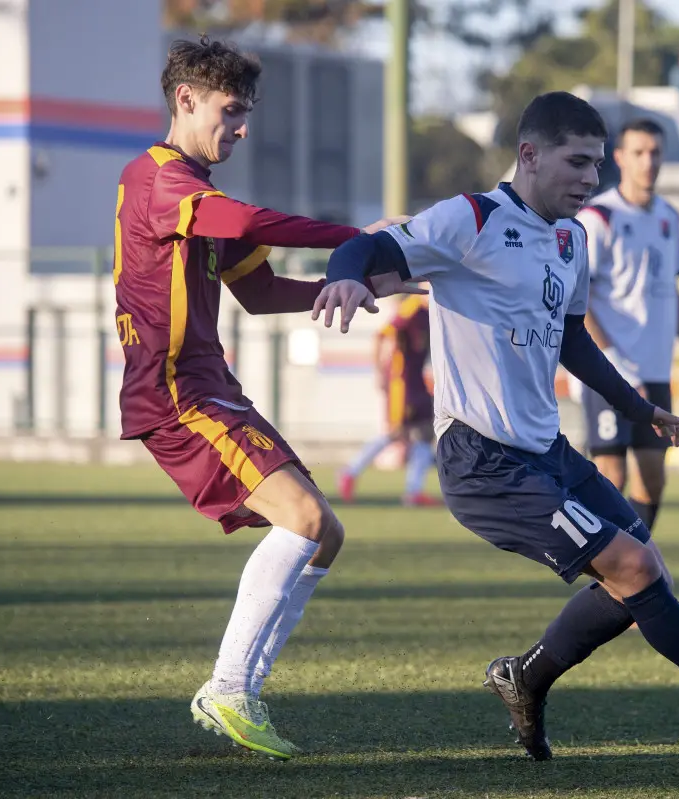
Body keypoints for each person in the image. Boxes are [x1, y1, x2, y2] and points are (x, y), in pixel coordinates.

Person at [312, 91, 679, 761]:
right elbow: (368, 245)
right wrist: (347, 279)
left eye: (598, 166)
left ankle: (524, 677)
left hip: (548, 451)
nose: (592, 180)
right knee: (634, 565)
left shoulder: (571, 236)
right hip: (483, 460)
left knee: (647, 578)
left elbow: (573, 341)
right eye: (579, 162)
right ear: (530, 155)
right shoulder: (470, 218)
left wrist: (640, 405)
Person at [113, 37, 416, 760]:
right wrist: (356, 239)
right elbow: (247, 222)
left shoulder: (198, 197)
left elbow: (259, 290)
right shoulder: (160, 181)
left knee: (325, 532)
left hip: (213, 387)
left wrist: (352, 282)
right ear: (186, 100)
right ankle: (227, 687)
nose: (242, 127)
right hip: (179, 393)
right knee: (306, 517)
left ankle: (239, 685)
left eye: (246, 112)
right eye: (231, 110)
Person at [575, 118, 679, 578]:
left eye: (656, 152)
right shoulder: (598, 217)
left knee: (653, 479)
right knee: (611, 477)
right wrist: (608, 358)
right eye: (639, 152)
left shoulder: (668, 218)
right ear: (619, 158)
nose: (649, 161)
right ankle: (621, 584)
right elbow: (582, 298)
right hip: (609, 371)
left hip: (654, 371)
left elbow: (672, 294)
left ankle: (626, 574)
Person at [338, 295, 441, 506]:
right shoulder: (412, 306)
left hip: (417, 382)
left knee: (424, 434)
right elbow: (382, 334)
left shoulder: (433, 311)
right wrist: (379, 372)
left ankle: (413, 491)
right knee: (395, 432)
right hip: (402, 384)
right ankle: (350, 471)